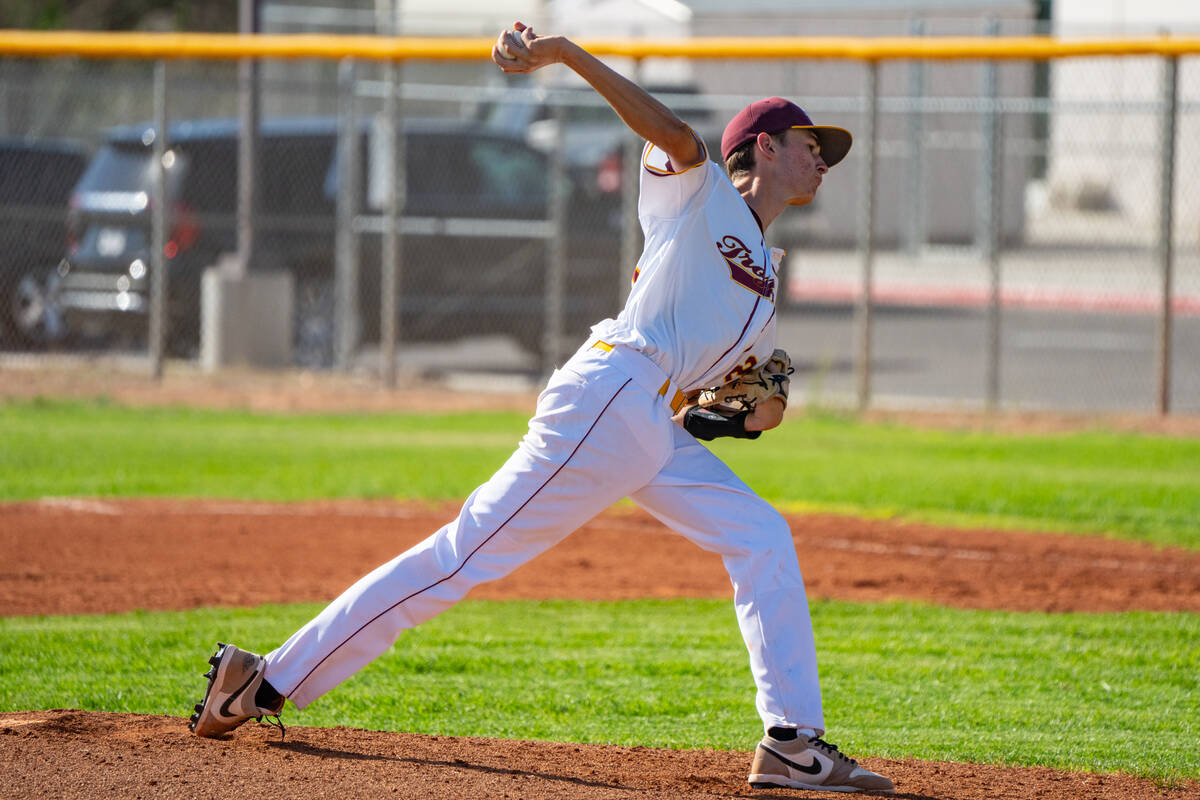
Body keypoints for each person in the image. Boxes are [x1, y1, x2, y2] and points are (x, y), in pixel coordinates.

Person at [187, 22, 893, 795]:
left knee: (761, 535)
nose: (821, 157)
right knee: (461, 556)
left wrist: (757, 409)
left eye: (824, 149)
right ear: (760, 145)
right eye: (807, 141)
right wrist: (561, 53)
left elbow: (738, 411)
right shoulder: (699, 194)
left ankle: (792, 741)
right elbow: (674, 132)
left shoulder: (765, 285)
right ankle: (263, 681)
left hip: (648, 424)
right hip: (610, 390)